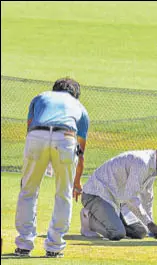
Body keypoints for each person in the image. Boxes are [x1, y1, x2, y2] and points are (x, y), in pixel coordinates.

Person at [14, 77, 89, 257]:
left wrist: (42, 157)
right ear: (75, 94)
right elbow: (81, 152)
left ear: (54, 89)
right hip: (66, 138)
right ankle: (54, 247)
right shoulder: (79, 107)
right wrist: (77, 182)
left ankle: (24, 244)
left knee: (28, 191)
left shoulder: (40, 97)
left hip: (36, 136)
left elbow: (29, 128)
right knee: (64, 193)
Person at [79, 139, 157, 241]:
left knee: (141, 232)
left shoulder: (154, 168)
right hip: (95, 194)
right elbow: (130, 198)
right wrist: (150, 224)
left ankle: (111, 220)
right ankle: (88, 218)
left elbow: (147, 197)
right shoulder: (142, 163)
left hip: (116, 199)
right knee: (116, 233)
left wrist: (151, 225)